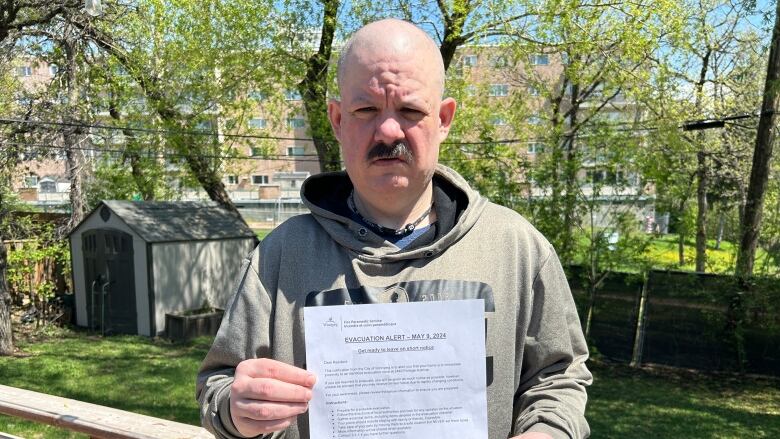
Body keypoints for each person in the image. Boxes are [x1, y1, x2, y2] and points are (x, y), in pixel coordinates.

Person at [197, 18, 591, 439]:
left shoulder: (517, 249)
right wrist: (236, 411)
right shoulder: (279, 257)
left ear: (443, 119)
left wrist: (545, 432)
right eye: (366, 110)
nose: (388, 131)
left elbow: (559, 376)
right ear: (336, 119)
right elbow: (218, 386)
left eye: (409, 110)